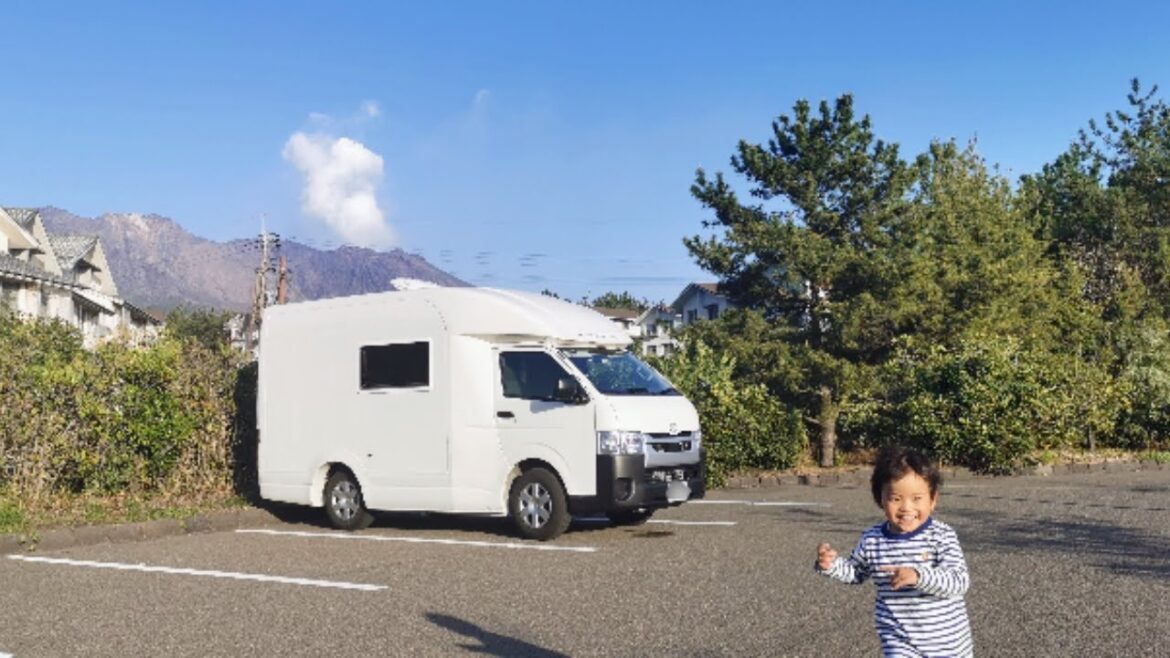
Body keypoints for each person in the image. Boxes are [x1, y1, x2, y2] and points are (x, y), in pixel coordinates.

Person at [815, 445, 973, 657]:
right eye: (895, 499)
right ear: (880, 499)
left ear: (933, 499)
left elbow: (958, 581)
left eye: (917, 498)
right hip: (899, 639)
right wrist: (831, 566)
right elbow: (856, 572)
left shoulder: (941, 535)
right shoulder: (872, 540)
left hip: (947, 642)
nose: (906, 507)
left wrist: (918, 576)